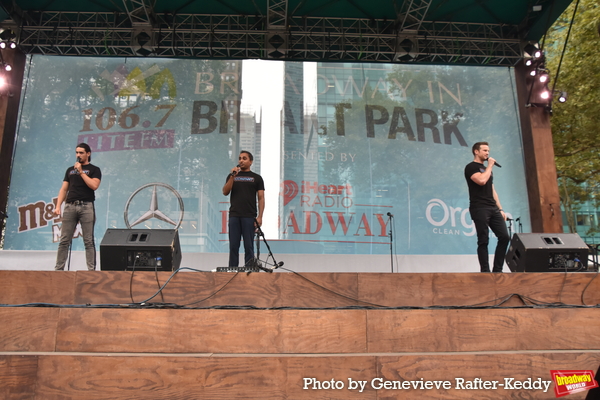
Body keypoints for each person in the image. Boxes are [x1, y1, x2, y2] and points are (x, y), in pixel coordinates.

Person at [54, 143, 102, 270]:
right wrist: (58, 206)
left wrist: (81, 172)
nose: (78, 155)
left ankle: (91, 271)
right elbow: (64, 189)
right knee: (64, 240)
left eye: (81, 152)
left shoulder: (94, 169)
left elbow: (94, 185)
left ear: (88, 153)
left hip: (86, 206)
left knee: (88, 240)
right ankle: (58, 270)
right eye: (77, 152)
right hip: (70, 206)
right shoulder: (70, 170)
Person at [464, 142, 510, 272]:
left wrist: (500, 208)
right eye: (484, 150)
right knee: (483, 239)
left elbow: (492, 189)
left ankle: (498, 270)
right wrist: (490, 165)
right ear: (476, 151)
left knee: (505, 237)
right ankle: (485, 271)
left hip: (492, 207)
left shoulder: (487, 169)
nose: (487, 153)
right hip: (479, 207)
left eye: (488, 151)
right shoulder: (471, 167)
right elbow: (481, 181)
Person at [222, 150, 265, 268]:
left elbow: (261, 198)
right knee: (233, 246)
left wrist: (260, 216)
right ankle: (232, 269)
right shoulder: (232, 176)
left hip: (249, 216)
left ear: (251, 162)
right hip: (234, 215)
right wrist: (232, 176)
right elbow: (225, 192)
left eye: (244, 158)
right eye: (240, 158)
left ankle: (249, 269)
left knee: (248, 246)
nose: (241, 160)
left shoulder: (257, 178)